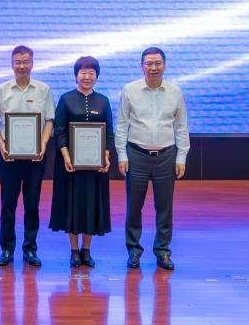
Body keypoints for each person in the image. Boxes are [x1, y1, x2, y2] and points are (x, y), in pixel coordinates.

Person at [115, 47, 190, 271]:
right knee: (134, 207)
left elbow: (181, 126)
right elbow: (122, 124)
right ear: (142, 66)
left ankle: (163, 251)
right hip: (136, 154)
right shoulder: (130, 90)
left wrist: (181, 156)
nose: (153, 67)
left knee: (164, 208)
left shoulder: (175, 91)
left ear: (164, 65)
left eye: (158, 63)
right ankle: (134, 251)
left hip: (166, 156)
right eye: (149, 63)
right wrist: (122, 154)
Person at [0, 45, 55, 267]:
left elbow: (49, 121)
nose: (22, 66)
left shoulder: (43, 90)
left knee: (32, 205)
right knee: (8, 205)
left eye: (26, 62)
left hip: (36, 158)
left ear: (32, 64)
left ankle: (30, 249)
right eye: (18, 62)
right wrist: (2, 144)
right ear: (12, 64)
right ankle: (7, 249)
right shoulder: (2, 90)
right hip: (9, 158)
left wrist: (43, 144)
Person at [48, 56, 115, 268]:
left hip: (95, 166)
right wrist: (66, 157)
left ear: (97, 75)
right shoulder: (66, 99)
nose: (87, 76)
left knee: (91, 205)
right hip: (70, 165)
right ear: (76, 75)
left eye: (91, 73)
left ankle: (87, 250)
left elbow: (109, 133)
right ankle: (74, 251)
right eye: (83, 72)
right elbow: (59, 130)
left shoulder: (103, 101)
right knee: (72, 204)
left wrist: (106, 156)